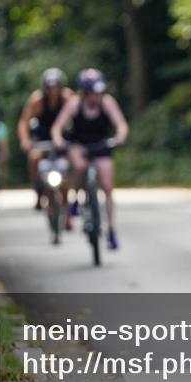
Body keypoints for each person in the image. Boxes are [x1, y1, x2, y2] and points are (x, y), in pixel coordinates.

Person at [51, 68, 128, 250]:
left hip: (101, 145)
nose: (97, 96)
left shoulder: (107, 102)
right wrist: (59, 141)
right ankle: (76, 198)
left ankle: (111, 230)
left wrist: (120, 136)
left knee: (108, 187)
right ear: (85, 92)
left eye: (99, 92)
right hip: (79, 145)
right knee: (80, 166)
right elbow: (57, 128)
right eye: (93, 92)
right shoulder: (74, 104)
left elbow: (121, 124)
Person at [18, 68, 74, 212]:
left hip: (62, 138)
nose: (53, 91)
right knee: (34, 158)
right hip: (42, 138)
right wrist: (25, 141)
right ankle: (38, 191)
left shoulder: (68, 98)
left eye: (56, 87)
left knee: (68, 166)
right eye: (50, 87)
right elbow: (24, 122)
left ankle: (67, 210)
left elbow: (78, 118)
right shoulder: (37, 100)